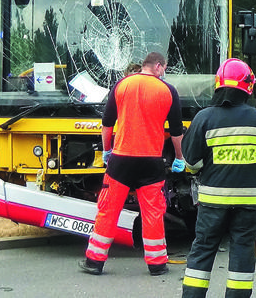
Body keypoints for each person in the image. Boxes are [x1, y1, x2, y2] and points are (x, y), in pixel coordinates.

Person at [180, 58, 256, 298]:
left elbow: (192, 163)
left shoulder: (203, 118)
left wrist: (203, 169)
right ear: (248, 86)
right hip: (248, 204)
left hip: (212, 202)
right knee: (242, 251)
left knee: (203, 249)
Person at [79, 52, 185, 276]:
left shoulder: (122, 85)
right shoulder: (168, 91)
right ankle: (157, 265)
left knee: (108, 211)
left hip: (121, 161)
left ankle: (94, 262)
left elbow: (107, 124)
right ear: (157, 66)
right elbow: (176, 132)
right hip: (152, 162)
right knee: (153, 213)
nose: (164, 72)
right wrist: (179, 158)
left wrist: (107, 150)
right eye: (164, 68)